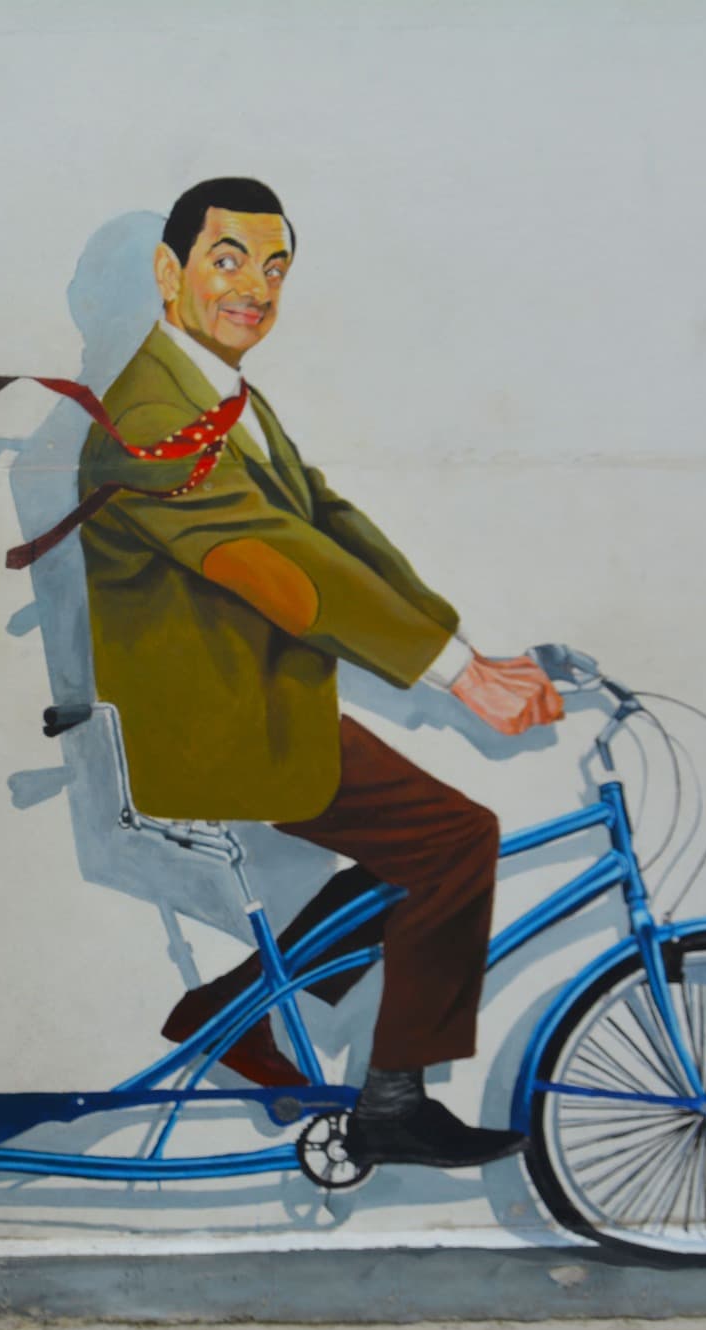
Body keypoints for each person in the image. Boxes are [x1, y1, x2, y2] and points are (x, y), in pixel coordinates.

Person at [75, 177, 563, 1168]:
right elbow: (284, 567)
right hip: (211, 729)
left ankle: (230, 1007)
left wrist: (463, 647)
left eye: (274, 267)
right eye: (227, 261)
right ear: (168, 272)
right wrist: (458, 676)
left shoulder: (219, 393)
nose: (254, 287)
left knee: (422, 851)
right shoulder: (153, 415)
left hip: (252, 708)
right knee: (456, 840)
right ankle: (391, 1101)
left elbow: (328, 523)